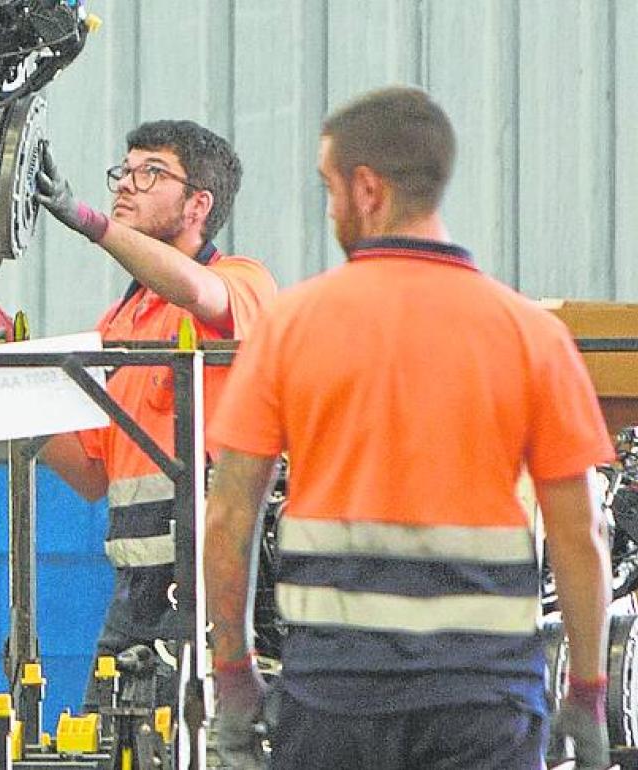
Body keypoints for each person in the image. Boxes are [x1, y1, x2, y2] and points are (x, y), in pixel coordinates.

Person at [202, 85, 615, 770]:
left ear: (367, 190)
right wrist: (589, 690)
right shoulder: (531, 336)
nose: (331, 208)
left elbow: (229, 514)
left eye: (329, 188)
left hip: (334, 701)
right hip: (485, 703)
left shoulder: (292, 328)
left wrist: (235, 676)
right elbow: (580, 534)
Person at [0, 120, 277, 710]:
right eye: (123, 172)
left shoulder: (242, 282)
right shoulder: (119, 324)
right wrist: (4, 374)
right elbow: (89, 472)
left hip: (219, 588)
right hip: (138, 595)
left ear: (198, 203)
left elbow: (198, 291)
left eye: (149, 173)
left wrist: (90, 224)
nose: (125, 185)